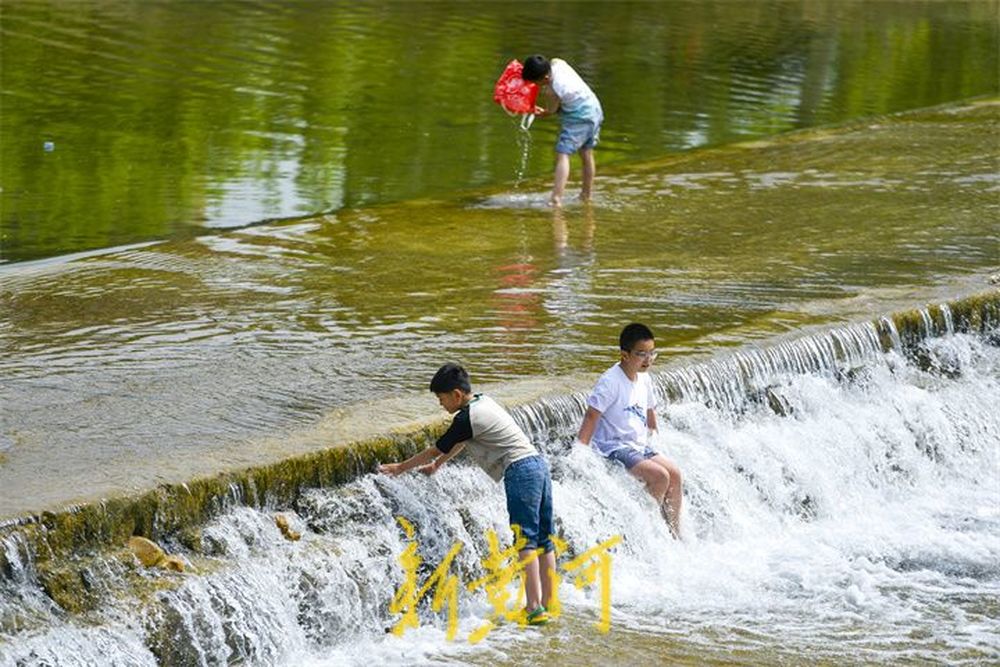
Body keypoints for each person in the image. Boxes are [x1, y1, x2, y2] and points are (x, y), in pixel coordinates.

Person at [378, 362, 556, 625]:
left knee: (525, 540)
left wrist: (399, 468)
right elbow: (461, 441)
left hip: (520, 471)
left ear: (456, 395)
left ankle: (534, 608)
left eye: (441, 399)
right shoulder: (483, 403)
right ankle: (549, 602)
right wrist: (439, 465)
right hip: (538, 465)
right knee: (544, 539)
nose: (441, 404)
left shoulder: (465, 417)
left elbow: (435, 448)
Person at [574, 323, 684, 537]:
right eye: (641, 354)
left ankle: (674, 532)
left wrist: (653, 427)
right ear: (624, 355)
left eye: (652, 353)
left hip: (637, 444)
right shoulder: (610, 382)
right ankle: (650, 531)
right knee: (660, 476)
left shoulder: (644, 377)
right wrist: (579, 453)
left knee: (675, 474)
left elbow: (650, 408)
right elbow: (591, 415)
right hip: (613, 446)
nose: (648, 359)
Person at [521, 54, 604, 207]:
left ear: (545, 78)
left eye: (536, 83)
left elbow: (551, 111)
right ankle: (586, 195)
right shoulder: (558, 64)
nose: (537, 87)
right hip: (594, 108)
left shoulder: (553, 90)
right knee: (586, 153)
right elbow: (555, 60)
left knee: (563, 154)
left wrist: (541, 112)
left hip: (580, 117)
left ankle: (556, 199)